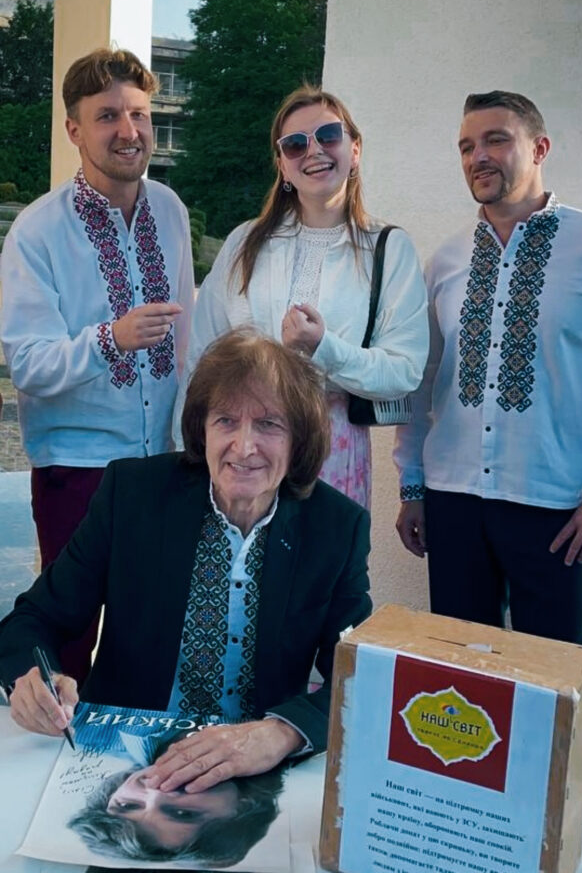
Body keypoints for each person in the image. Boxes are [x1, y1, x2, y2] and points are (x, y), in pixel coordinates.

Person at [0, 329, 372, 788]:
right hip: (121, 759)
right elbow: (34, 618)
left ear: (300, 439)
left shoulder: (336, 527)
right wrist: (31, 676)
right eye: (226, 421)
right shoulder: (133, 495)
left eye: (269, 424)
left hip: (252, 772)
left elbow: (359, 675)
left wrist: (282, 733)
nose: (244, 447)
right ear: (202, 428)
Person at [394, 90, 582, 647]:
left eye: (496, 140)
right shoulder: (446, 261)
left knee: (552, 677)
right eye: (466, 146)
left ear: (540, 148)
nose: (478, 156)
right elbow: (422, 382)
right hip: (453, 503)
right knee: (459, 674)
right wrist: (412, 484)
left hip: (560, 512)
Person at [0, 48, 194, 683]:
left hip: (161, 467)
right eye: (107, 115)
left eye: (139, 113)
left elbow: (187, 339)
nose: (128, 130)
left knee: (152, 640)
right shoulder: (37, 232)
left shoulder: (171, 211)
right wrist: (112, 339)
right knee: (67, 643)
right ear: (74, 130)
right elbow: (29, 365)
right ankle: (58, 747)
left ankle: (138, 750)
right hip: (76, 470)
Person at [174, 85, 427, 509]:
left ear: (355, 149)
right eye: (295, 144)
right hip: (241, 451)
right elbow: (201, 361)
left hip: (333, 454)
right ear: (282, 165)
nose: (314, 151)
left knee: (322, 554)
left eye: (328, 135)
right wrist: (188, 457)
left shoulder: (388, 248)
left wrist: (323, 348)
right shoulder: (244, 243)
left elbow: (404, 372)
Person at [67, 719, 285, 863]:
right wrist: (287, 730)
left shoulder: (100, 733)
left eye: (126, 805)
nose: (156, 792)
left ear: (113, 792)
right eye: (183, 813)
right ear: (244, 807)